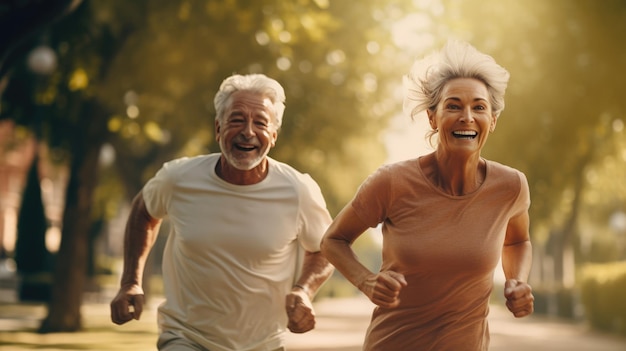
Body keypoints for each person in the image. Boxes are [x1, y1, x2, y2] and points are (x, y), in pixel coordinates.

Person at [320, 40, 534, 350]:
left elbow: (517, 240)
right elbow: (332, 241)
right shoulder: (391, 182)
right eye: (453, 105)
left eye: (479, 107)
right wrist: (366, 281)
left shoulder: (510, 186)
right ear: (433, 118)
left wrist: (518, 281)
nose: (467, 116)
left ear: (493, 120)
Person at [110, 73, 334, 351]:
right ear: (218, 128)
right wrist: (131, 282)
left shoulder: (298, 190)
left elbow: (326, 247)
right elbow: (143, 210)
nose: (248, 132)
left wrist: (304, 290)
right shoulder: (178, 178)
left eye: (260, 123)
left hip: (262, 343)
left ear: (273, 136)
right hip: (185, 337)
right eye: (237, 119)